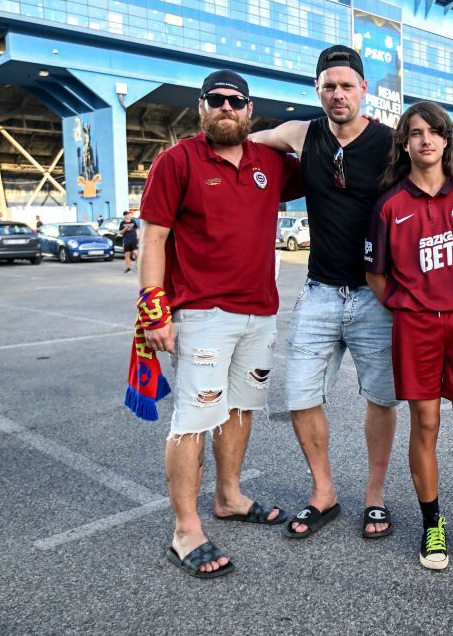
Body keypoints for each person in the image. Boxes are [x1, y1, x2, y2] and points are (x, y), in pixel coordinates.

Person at [134, 69, 301, 579]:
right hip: (203, 313)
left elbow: (311, 141)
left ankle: (228, 496)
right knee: (193, 419)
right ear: (200, 106)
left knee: (240, 410)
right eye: (217, 100)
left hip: (259, 311)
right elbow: (155, 239)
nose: (226, 107)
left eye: (236, 101)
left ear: (250, 111)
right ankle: (186, 530)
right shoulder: (178, 160)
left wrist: (268, 136)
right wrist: (154, 310)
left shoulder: (267, 163)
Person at [250, 45, 399, 540]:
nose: (338, 94)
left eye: (347, 85)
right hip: (318, 290)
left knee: (381, 398)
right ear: (318, 90)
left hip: (375, 293)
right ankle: (323, 492)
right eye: (329, 86)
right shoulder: (303, 133)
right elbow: (253, 142)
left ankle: (374, 497)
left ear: (363, 91)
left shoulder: (390, 142)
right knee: (299, 395)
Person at [365, 102, 453, 571]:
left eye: (434, 132)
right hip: (417, 327)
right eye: (415, 132)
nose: (425, 140)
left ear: (447, 141)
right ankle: (433, 525)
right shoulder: (389, 205)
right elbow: (378, 278)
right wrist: (415, 307)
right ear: (404, 143)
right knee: (425, 426)